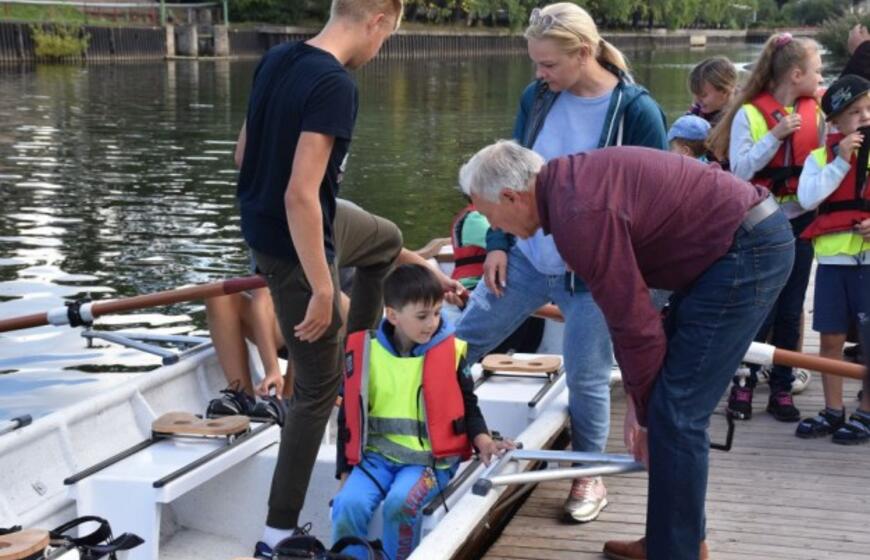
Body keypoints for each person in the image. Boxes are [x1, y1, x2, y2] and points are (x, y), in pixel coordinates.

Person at [459, 140, 793, 560]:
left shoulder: (577, 217)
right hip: (725, 248)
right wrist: (642, 401)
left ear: (511, 196)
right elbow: (637, 319)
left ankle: (677, 552)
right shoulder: (565, 186)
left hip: (744, 251)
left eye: (493, 218)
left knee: (676, 413)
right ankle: (677, 541)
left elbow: (632, 323)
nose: (501, 231)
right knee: (669, 406)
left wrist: (645, 409)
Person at [455, 2, 667, 523]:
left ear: (585, 52)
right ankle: (441, 432)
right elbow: (510, 171)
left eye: (549, 64)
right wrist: (499, 244)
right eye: (536, 63)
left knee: (587, 373)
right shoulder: (539, 98)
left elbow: (654, 198)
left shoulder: (636, 110)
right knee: (462, 340)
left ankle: (587, 472)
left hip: (594, 269)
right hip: (527, 257)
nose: (539, 74)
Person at [233, 1, 407, 556]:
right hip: (294, 245)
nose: (380, 52)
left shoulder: (279, 57)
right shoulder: (335, 84)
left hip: (291, 225)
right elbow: (298, 195)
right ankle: (276, 534)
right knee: (313, 391)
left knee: (387, 240)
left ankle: (357, 354)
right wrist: (324, 287)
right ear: (378, 19)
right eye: (387, 38)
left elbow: (243, 154)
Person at [331, 264, 512, 560]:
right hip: (377, 458)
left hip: (429, 463)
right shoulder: (366, 353)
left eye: (438, 313)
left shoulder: (452, 352)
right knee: (347, 504)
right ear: (392, 315)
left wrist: (484, 441)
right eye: (422, 316)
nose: (432, 323)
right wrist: (344, 470)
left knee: (399, 505)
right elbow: (348, 416)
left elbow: (468, 405)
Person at [708, 32, 824, 423]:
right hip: (761, 225)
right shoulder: (750, 115)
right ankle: (743, 381)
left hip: (802, 222)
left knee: (791, 310)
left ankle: (782, 386)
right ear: (795, 74)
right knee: (759, 308)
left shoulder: (817, 114)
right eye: (817, 71)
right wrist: (774, 137)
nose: (821, 77)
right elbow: (740, 170)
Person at [795, 75, 870, 444]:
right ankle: (833, 409)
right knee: (830, 339)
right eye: (855, 112)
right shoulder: (819, 159)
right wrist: (840, 162)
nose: (866, 117)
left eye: (869, 109)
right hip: (831, 267)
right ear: (836, 122)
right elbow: (809, 199)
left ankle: (866, 413)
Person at [686, 56, 737, 126]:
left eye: (703, 95)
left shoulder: (739, 119)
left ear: (725, 91)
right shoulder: (694, 113)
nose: (697, 100)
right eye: (695, 94)